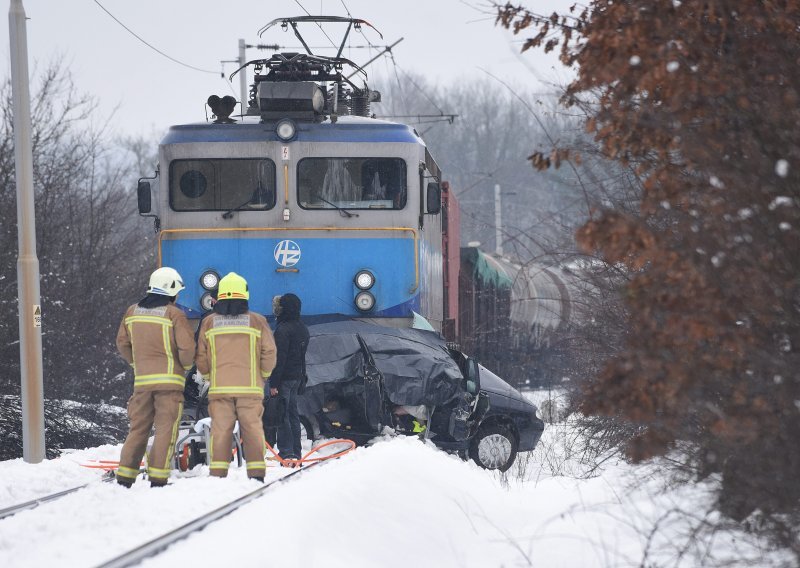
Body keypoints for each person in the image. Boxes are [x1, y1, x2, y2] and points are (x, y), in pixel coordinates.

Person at [115, 267, 195, 488]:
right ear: (170, 289)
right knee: (165, 430)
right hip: (170, 384)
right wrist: (186, 367)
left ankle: (125, 476)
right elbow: (187, 349)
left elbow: (122, 343)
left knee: (138, 429)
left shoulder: (132, 312)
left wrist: (136, 363)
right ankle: (158, 478)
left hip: (142, 384)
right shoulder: (174, 314)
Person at [196, 272, 276, 481]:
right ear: (245, 295)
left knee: (220, 431)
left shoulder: (209, 322)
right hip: (250, 389)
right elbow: (269, 353)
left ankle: (218, 474)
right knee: (253, 429)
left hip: (220, 388)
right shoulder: (257, 321)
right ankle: (257, 474)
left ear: (220, 295)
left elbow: (201, 357)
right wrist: (263, 376)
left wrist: (208, 377)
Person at [269, 293, 310, 463]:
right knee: (293, 415)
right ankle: (296, 451)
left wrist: (273, 383)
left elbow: (280, 360)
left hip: (284, 380)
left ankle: (286, 453)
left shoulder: (282, 330)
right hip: (297, 377)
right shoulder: (302, 328)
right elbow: (301, 357)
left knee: (282, 415)